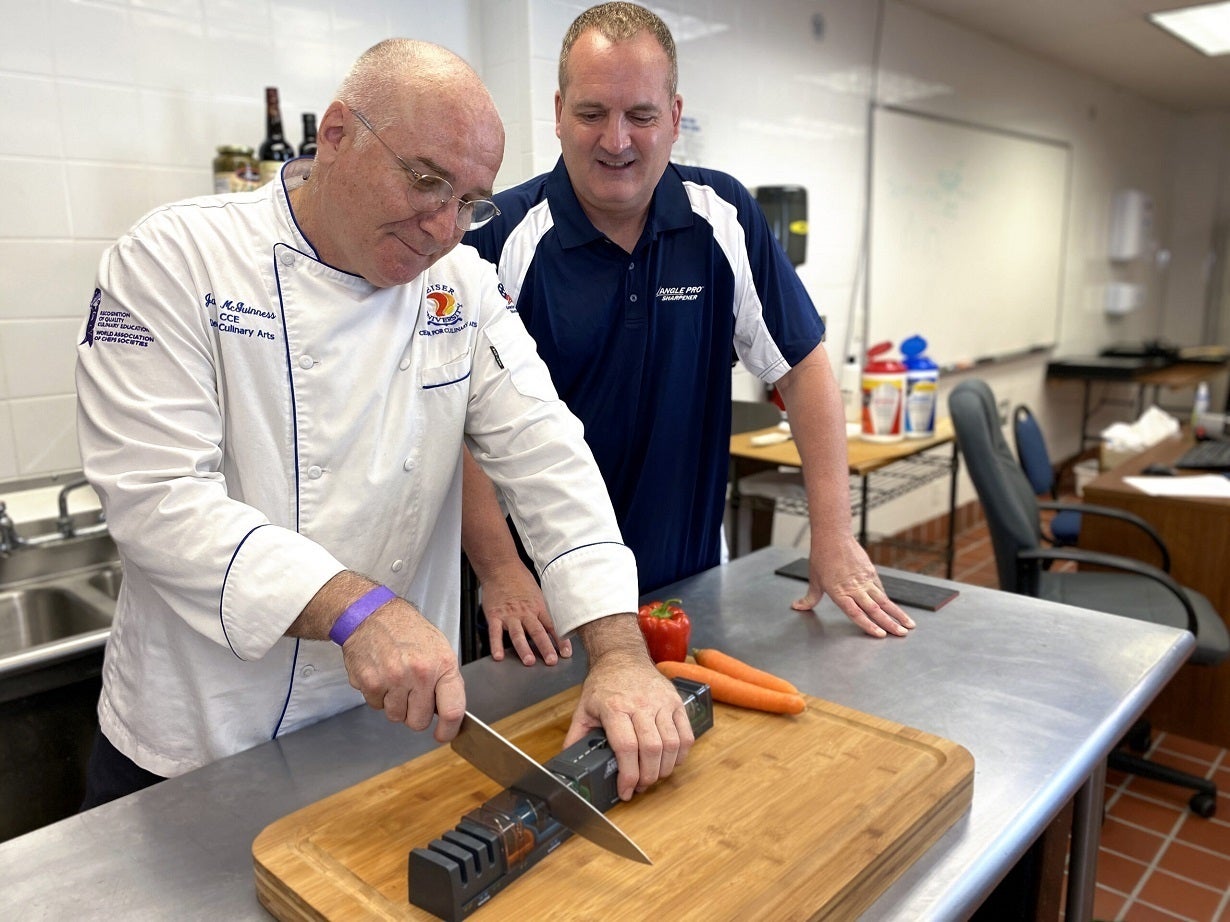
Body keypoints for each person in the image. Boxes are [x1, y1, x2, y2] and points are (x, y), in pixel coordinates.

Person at [74, 38, 691, 810]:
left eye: (469, 203)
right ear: (337, 134)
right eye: (426, 181)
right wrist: (358, 608)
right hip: (199, 744)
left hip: (382, 736)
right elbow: (157, 499)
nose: (443, 227)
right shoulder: (174, 259)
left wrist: (618, 650)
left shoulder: (460, 286)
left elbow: (547, 453)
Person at [462, 2, 913, 666]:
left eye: (641, 115)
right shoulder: (497, 236)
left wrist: (834, 533)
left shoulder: (723, 218)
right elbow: (456, 417)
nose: (616, 140)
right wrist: (500, 570)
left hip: (689, 589)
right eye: (592, 113)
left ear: (674, 118)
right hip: (543, 611)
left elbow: (802, 368)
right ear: (558, 113)